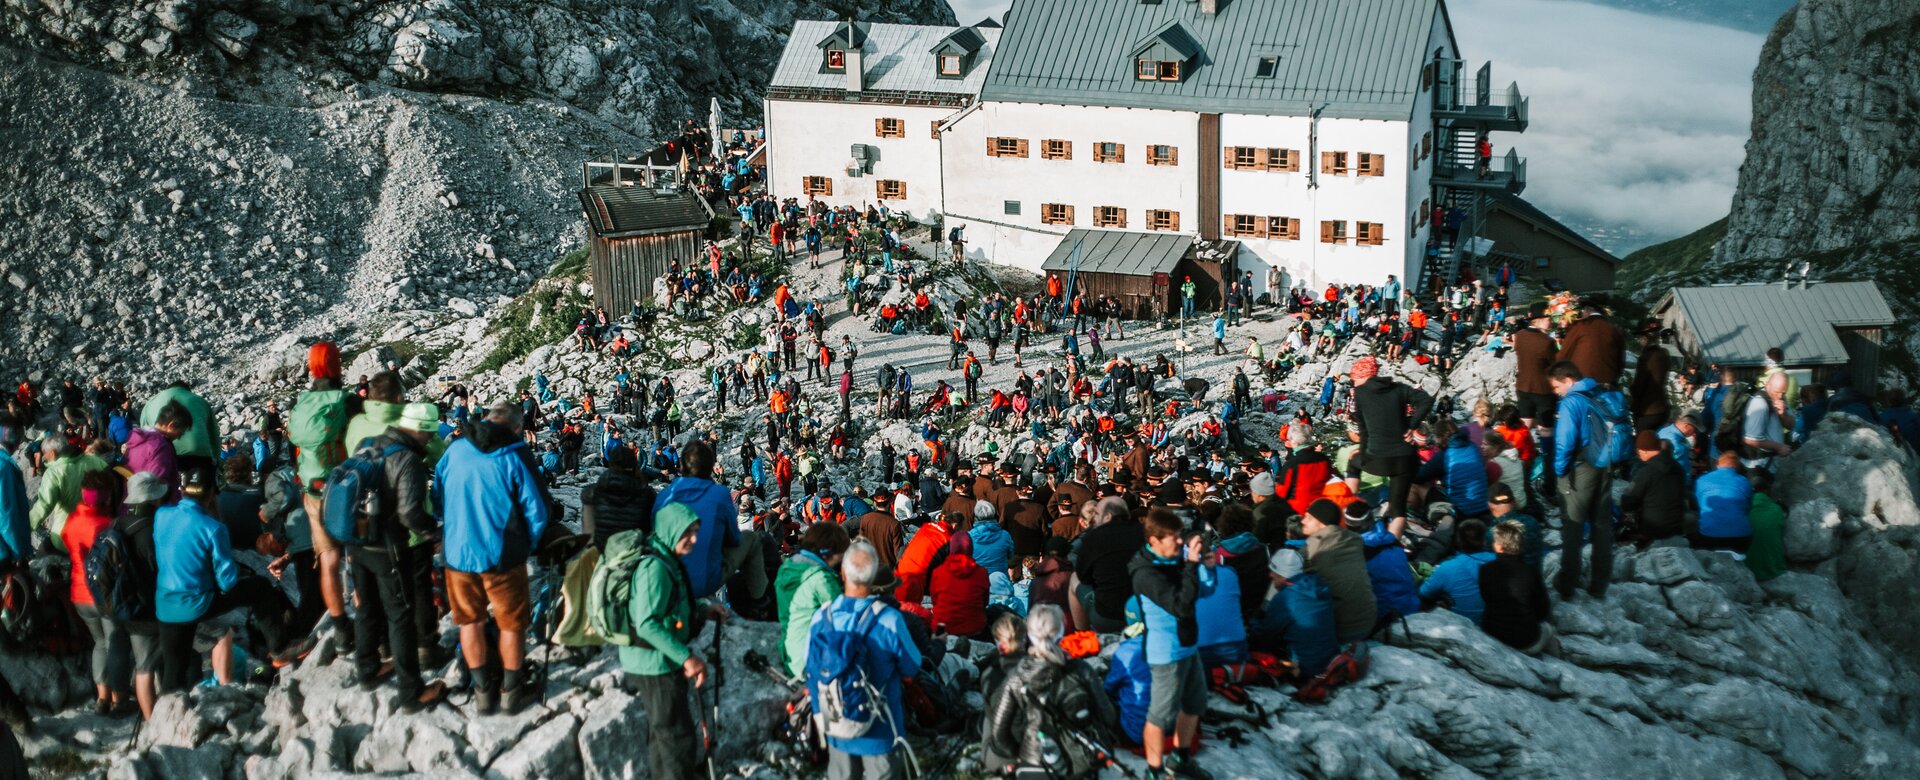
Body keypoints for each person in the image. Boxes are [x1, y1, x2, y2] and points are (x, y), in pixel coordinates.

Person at [434, 400, 553, 715]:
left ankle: (484, 692)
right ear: (516, 427)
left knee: (469, 621)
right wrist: (528, 543)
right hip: (502, 554)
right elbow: (539, 510)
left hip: (458, 553)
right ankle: (511, 691)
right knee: (512, 623)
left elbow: (437, 496)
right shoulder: (515, 454)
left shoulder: (456, 449)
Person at [155, 467, 294, 693]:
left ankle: (170, 714)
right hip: (198, 604)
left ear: (183, 490)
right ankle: (278, 648)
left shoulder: (161, 516)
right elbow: (227, 581)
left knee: (174, 668)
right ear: (211, 494)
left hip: (165, 605)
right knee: (260, 587)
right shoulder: (213, 528)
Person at [622, 502, 728, 780]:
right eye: (687, 533)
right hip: (653, 664)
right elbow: (646, 624)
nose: (693, 539)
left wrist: (703, 610)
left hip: (653, 660)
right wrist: (687, 658)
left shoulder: (665, 557)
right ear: (670, 531)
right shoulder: (654, 567)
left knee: (665, 734)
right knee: (677, 738)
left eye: (695, 532)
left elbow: (671, 605)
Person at [346, 403, 442, 710]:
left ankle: (368, 668)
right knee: (400, 615)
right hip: (387, 547)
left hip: (358, 541)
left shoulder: (368, 445)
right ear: (420, 430)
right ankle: (411, 692)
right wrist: (435, 532)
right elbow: (410, 512)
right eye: (429, 434)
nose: (429, 440)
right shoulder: (408, 459)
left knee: (367, 606)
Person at [806, 541, 922, 780]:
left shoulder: (821, 617)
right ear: (872, 579)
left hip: (836, 725)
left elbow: (811, 669)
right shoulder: (889, 620)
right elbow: (912, 666)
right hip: (880, 730)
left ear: (843, 572)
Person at [1129, 508, 1213, 780]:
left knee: (1194, 704)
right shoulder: (1145, 573)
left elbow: (1205, 591)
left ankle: (1180, 757)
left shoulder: (1175, 560)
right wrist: (1191, 564)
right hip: (1165, 653)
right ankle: (1154, 771)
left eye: (1180, 536)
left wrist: (1207, 569)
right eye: (1173, 538)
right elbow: (1181, 605)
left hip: (1188, 644)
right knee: (1160, 716)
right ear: (1154, 540)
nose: (1179, 542)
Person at [983, 604, 1112, 778]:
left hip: (1036, 761)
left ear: (1029, 635)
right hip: (1081, 758)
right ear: (1061, 631)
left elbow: (999, 733)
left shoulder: (1016, 677)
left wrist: (1018, 755)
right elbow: (1108, 716)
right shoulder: (1080, 669)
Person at [286, 343, 354, 654]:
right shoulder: (345, 400)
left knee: (327, 559)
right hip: (343, 485)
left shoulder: (302, 403)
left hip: (312, 489)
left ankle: (339, 627)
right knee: (356, 553)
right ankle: (362, 614)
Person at [655, 440, 769, 610]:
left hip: (668, 578)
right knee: (751, 539)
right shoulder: (719, 493)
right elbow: (734, 538)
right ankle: (759, 601)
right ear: (710, 467)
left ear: (681, 466)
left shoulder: (664, 496)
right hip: (706, 580)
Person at [62, 471, 131, 714]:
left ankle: (102, 698)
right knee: (115, 643)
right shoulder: (104, 525)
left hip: (79, 593)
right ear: (106, 497)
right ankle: (119, 698)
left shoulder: (71, 521)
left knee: (99, 642)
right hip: (104, 594)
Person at [1549, 361, 1614, 600]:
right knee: (1601, 526)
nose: (1556, 392)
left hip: (1580, 468)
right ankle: (1600, 584)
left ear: (1568, 379)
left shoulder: (1571, 402)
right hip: (1604, 465)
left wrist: (1559, 471)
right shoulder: (1600, 395)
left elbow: (1565, 441)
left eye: (1557, 387)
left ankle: (1567, 585)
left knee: (1573, 527)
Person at [1347, 356, 1434, 533]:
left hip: (1378, 459)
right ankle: (1393, 549)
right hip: (1406, 459)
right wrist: (1412, 425)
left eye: (1354, 380)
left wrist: (1363, 455)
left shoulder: (1361, 394)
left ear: (1363, 377)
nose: (1353, 384)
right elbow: (1426, 400)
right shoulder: (1399, 388)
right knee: (1398, 509)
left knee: (1353, 463)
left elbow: (1363, 429)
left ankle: (1349, 507)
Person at [776, 522, 849, 678]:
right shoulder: (821, 578)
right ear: (828, 553)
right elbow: (842, 618)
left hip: (789, 651)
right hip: (811, 660)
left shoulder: (787, 567)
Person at [1249, 548, 1338, 678]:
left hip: (1305, 668)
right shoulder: (1318, 585)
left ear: (1283, 574)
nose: (1270, 575)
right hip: (1330, 657)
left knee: (1258, 652)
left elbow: (1264, 634)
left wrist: (1253, 623)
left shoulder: (1286, 598)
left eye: (1274, 572)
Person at [1300, 500, 1376, 643]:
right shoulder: (1354, 539)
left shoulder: (1311, 548)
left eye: (1308, 518)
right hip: (1368, 622)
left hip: (1342, 630)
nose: (1303, 521)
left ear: (1321, 522)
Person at [1478, 520, 1555, 655]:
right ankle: (1558, 662)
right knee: (1548, 628)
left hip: (1491, 633)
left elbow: (1486, 599)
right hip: (1525, 640)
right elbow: (1543, 610)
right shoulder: (1531, 572)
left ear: (1499, 547)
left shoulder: (1485, 570)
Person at [1071, 497, 1140, 633]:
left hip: (1108, 617)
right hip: (1140, 613)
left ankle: (1082, 635)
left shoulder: (1094, 537)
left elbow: (1083, 577)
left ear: (1108, 517)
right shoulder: (1143, 532)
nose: (1094, 519)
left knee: (1074, 578)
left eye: (1096, 514)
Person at [1418, 518, 1495, 625]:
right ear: (1485, 539)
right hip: (1493, 622)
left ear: (1459, 540)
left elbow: (1424, 593)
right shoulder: (1497, 560)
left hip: (1463, 625)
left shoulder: (1448, 567)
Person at [582, 445, 656, 550]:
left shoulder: (595, 491)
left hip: (603, 548)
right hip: (634, 550)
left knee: (588, 505)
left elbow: (586, 495)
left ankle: (590, 547)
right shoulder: (646, 494)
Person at [1620, 430, 1688, 543]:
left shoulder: (1646, 472)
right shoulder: (1678, 468)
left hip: (1653, 530)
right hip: (1677, 528)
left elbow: (1628, 501)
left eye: (1638, 451)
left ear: (1644, 451)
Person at [930, 534, 991, 638]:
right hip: (974, 628)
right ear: (971, 548)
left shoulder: (938, 572)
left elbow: (934, 600)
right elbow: (985, 602)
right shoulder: (982, 573)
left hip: (943, 627)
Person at [1692, 452, 1753, 552]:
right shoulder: (1744, 481)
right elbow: (1747, 508)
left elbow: (1700, 504)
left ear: (1718, 465)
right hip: (1740, 537)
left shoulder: (1701, 480)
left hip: (1709, 535)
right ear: (1737, 467)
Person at [1557, 298, 1625, 387]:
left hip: (1583, 382)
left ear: (1588, 309)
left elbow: (1564, 354)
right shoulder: (1614, 330)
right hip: (1607, 382)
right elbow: (1620, 361)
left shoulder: (1579, 326)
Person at [1740, 372, 1793, 470]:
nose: (1780, 396)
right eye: (1777, 391)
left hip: (1769, 463)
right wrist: (1779, 447)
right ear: (1768, 384)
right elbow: (1750, 439)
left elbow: (1791, 426)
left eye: (1783, 392)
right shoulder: (1759, 403)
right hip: (1756, 465)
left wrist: (1783, 414)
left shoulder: (1781, 399)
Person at [1744, 470, 1787, 582]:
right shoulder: (1777, 510)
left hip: (1748, 568)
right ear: (1767, 490)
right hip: (1774, 569)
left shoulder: (1743, 509)